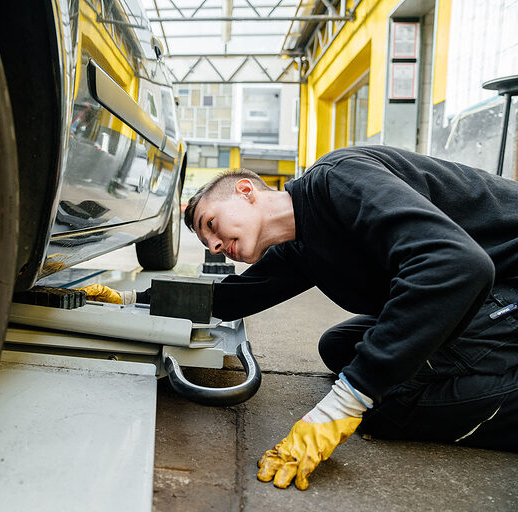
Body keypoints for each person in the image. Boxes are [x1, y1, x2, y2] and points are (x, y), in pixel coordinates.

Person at [81, 145, 518, 490]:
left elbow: (458, 266)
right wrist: (128, 298)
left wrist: (345, 403)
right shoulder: (303, 245)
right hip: (483, 295)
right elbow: (230, 298)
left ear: (246, 192)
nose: (213, 245)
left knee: (388, 404)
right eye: (206, 241)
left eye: (211, 223)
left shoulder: (338, 179)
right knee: (342, 348)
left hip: (500, 284)